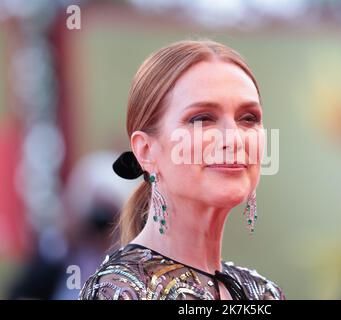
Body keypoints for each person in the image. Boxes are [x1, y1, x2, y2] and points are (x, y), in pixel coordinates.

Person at [79, 40, 285, 300]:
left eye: (248, 118)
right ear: (146, 150)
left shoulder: (264, 293)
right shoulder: (120, 291)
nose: (234, 139)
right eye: (202, 119)